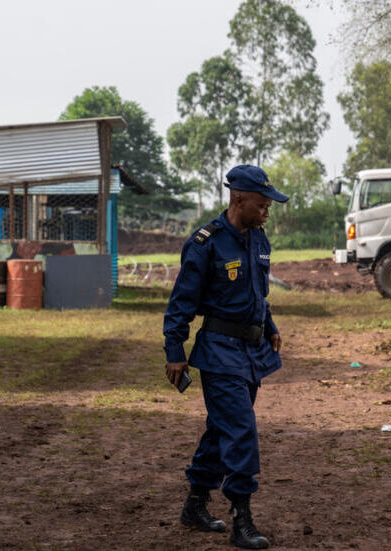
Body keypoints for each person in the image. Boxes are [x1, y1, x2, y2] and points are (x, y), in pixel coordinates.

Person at [163, 164, 288, 550]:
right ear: (238, 199)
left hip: (251, 352)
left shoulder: (258, 239)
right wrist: (175, 350)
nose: (267, 211)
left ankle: (195, 504)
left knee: (222, 430)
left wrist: (269, 326)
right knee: (241, 430)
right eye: (262, 204)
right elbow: (181, 302)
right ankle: (242, 519)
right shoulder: (207, 243)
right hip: (219, 353)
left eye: (269, 205)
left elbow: (257, 293)